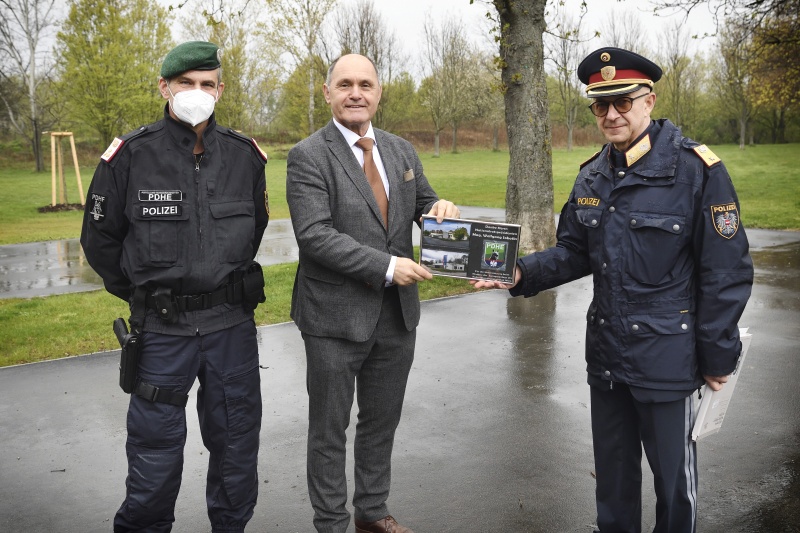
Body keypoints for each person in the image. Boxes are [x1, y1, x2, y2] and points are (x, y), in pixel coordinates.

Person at [474, 47, 754, 532]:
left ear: (649, 100)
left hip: (666, 358)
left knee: (673, 488)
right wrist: (518, 273)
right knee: (613, 485)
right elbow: (572, 251)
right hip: (606, 357)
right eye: (600, 105)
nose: (611, 114)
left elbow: (725, 272)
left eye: (622, 101)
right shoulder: (593, 174)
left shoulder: (696, 172)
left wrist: (717, 357)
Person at [80, 41, 269, 533]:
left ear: (220, 90)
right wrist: (146, 294)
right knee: (154, 453)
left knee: (236, 446)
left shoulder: (246, 157)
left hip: (231, 328)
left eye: (207, 84)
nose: (197, 92)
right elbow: (100, 241)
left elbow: (256, 228)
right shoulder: (129, 156)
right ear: (164, 87)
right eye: (186, 83)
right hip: (162, 331)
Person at [286, 54, 459, 533]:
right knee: (329, 430)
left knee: (381, 422)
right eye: (344, 84)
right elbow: (315, 235)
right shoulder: (308, 155)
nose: (355, 93)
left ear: (379, 92)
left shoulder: (401, 151)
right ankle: (331, 523)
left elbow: (423, 203)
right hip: (334, 318)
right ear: (327, 93)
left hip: (396, 317)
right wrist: (385, 266)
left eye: (365, 84)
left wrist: (439, 208)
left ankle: (372, 511)